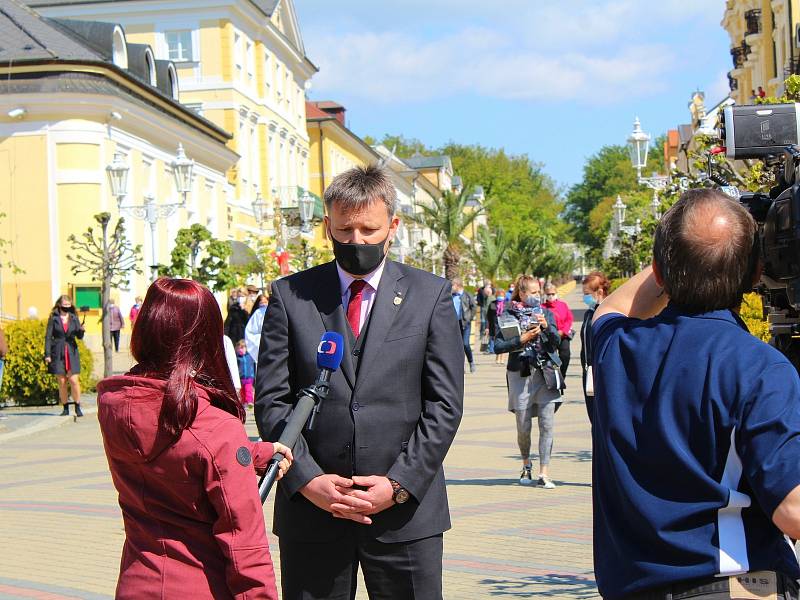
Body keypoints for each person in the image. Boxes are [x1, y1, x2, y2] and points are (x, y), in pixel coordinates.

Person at [256, 164, 464, 600]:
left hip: (405, 516)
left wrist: (398, 484)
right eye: (344, 229)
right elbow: (273, 402)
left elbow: (444, 405)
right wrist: (309, 480)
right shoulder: (289, 296)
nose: (356, 241)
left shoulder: (431, 295)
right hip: (313, 513)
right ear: (327, 225)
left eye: (369, 229)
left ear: (393, 225)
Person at [590, 188, 800, 599]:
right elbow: (792, 510)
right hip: (729, 584)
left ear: (658, 271)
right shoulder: (760, 369)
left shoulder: (613, 349)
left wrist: (678, 255)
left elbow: (611, 308)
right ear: (756, 275)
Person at [96, 277, 293, 600]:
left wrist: (250, 453)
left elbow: (175, 452)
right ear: (207, 337)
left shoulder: (117, 406)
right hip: (202, 586)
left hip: (137, 581)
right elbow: (245, 544)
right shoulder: (215, 427)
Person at [494, 275, 562, 489]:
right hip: (520, 375)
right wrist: (520, 340)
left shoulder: (546, 313)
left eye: (538, 292)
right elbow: (497, 345)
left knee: (547, 424)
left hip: (546, 373)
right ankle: (526, 465)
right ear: (521, 293)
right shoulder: (507, 315)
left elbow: (557, 341)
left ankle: (544, 472)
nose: (536, 296)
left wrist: (546, 328)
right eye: (532, 293)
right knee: (523, 426)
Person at [44, 295, 85, 417]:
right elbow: (48, 337)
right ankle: (65, 408)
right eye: (65, 305)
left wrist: (82, 330)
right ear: (59, 305)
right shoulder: (53, 318)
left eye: (69, 305)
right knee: (61, 381)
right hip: (58, 351)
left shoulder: (74, 317)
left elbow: (79, 336)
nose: (67, 307)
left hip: (71, 351)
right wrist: (47, 354)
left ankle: (77, 406)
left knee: (73, 380)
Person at [578, 271, 610, 420]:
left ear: (600, 292)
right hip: (588, 373)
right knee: (593, 418)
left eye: (587, 293)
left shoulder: (609, 314)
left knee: (603, 419)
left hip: (603, 375)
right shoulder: (589, 314)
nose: (585, 297)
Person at [543, 283, 574, 379]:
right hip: (549, 336)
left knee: (566, 356)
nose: (551, 296)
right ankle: (552, 378)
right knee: (550, 358)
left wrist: (563, 331)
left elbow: (569, 319)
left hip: (563, 335)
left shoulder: (563, 305)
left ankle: (562, 375)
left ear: (556, 293)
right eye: (548, 294)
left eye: (553, 294)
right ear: (545, 294)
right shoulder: (542, 307)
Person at [451, 277, 477, 373]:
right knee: (457, 346)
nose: (451, 287)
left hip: (465, 323)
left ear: (457, 285)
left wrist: (469, 318)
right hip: (454, 324)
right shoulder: (451, 296)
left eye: (452, 285)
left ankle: (471, 362)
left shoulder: (467, 295)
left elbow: (473, 307)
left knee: (465, 344)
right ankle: (460, 366)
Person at [245, 295, 269, 364]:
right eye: (261, 302)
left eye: (265, 301)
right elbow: (250, 332)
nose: (264, 304)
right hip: (261, 345)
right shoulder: (257, 313)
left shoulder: (274, 311)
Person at [236, 339, 255, 407]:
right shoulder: (237, 358)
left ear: (246, 348)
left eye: (243, 347)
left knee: (248, 389)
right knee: (242, 391)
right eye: (240, 348)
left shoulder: (249, 356)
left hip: (249, 377)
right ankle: (244, 402)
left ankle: (250, 401)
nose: (242, 349)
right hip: (241, 378)